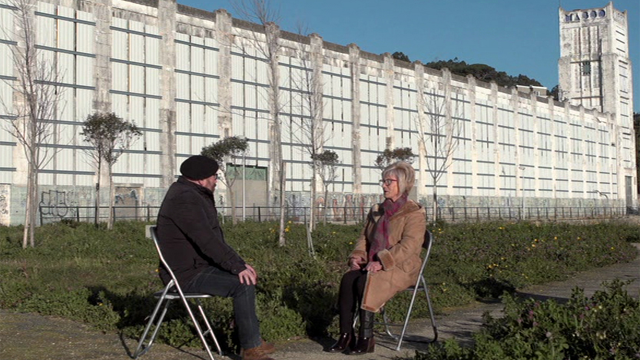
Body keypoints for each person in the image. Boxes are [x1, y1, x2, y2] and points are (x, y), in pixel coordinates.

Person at [156, 155, 275, 360]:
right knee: (242, 284)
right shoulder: (185, 199)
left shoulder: (191, 194)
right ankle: (250, 349)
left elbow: (212, 240)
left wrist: (238, 264)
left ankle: (249, 338)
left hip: (195, 267)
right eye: (214, 176)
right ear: (202, 179)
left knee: (246, 276)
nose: (216, 180)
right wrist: (236, 267)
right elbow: (206, 240)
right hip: (185, 275)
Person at [329, 161, 427, 354]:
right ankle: (346, 335)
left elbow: (410, 245)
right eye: (383, 181)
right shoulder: (377, 210)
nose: (384, 185)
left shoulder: (414, 213)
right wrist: (357, 256)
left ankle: (367, 338)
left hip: (401, 266)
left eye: (389, 181)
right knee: (349, 278)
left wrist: (382, 262)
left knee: (365, 281)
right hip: (373, 262)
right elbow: (364, 238)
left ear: (402, 184)